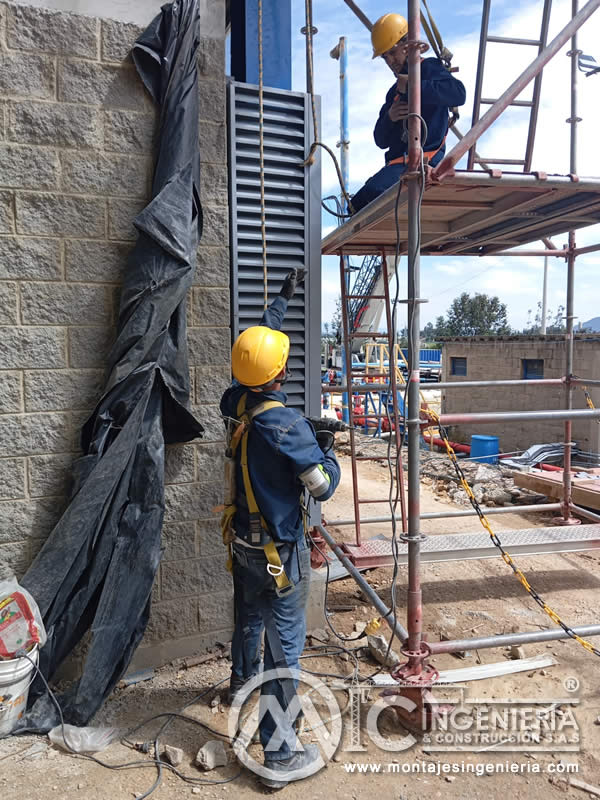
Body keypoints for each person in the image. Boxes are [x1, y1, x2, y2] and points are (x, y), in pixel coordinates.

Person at [219, 268, 341, 789]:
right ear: (281, 372)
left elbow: (255, 352)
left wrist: (282, 301)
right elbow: (321, 488)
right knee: (285, 649)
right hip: (277, 555)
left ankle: (240, 686)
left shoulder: (234, 401)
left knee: (249, 617)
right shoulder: (287, 428)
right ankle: (279, 753)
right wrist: (327, 451)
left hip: (242, 545)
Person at [350, 12, 466, 213]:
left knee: (373, 194)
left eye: (392, 53)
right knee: (356, 204)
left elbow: (458, 94)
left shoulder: (429, 68)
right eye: (385, 57)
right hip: (398, 165)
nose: (390, 61)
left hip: (425, 159)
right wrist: (390, 117)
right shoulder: (393, 93)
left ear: (407, 45)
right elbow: (380, 139)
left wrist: (414, 86)